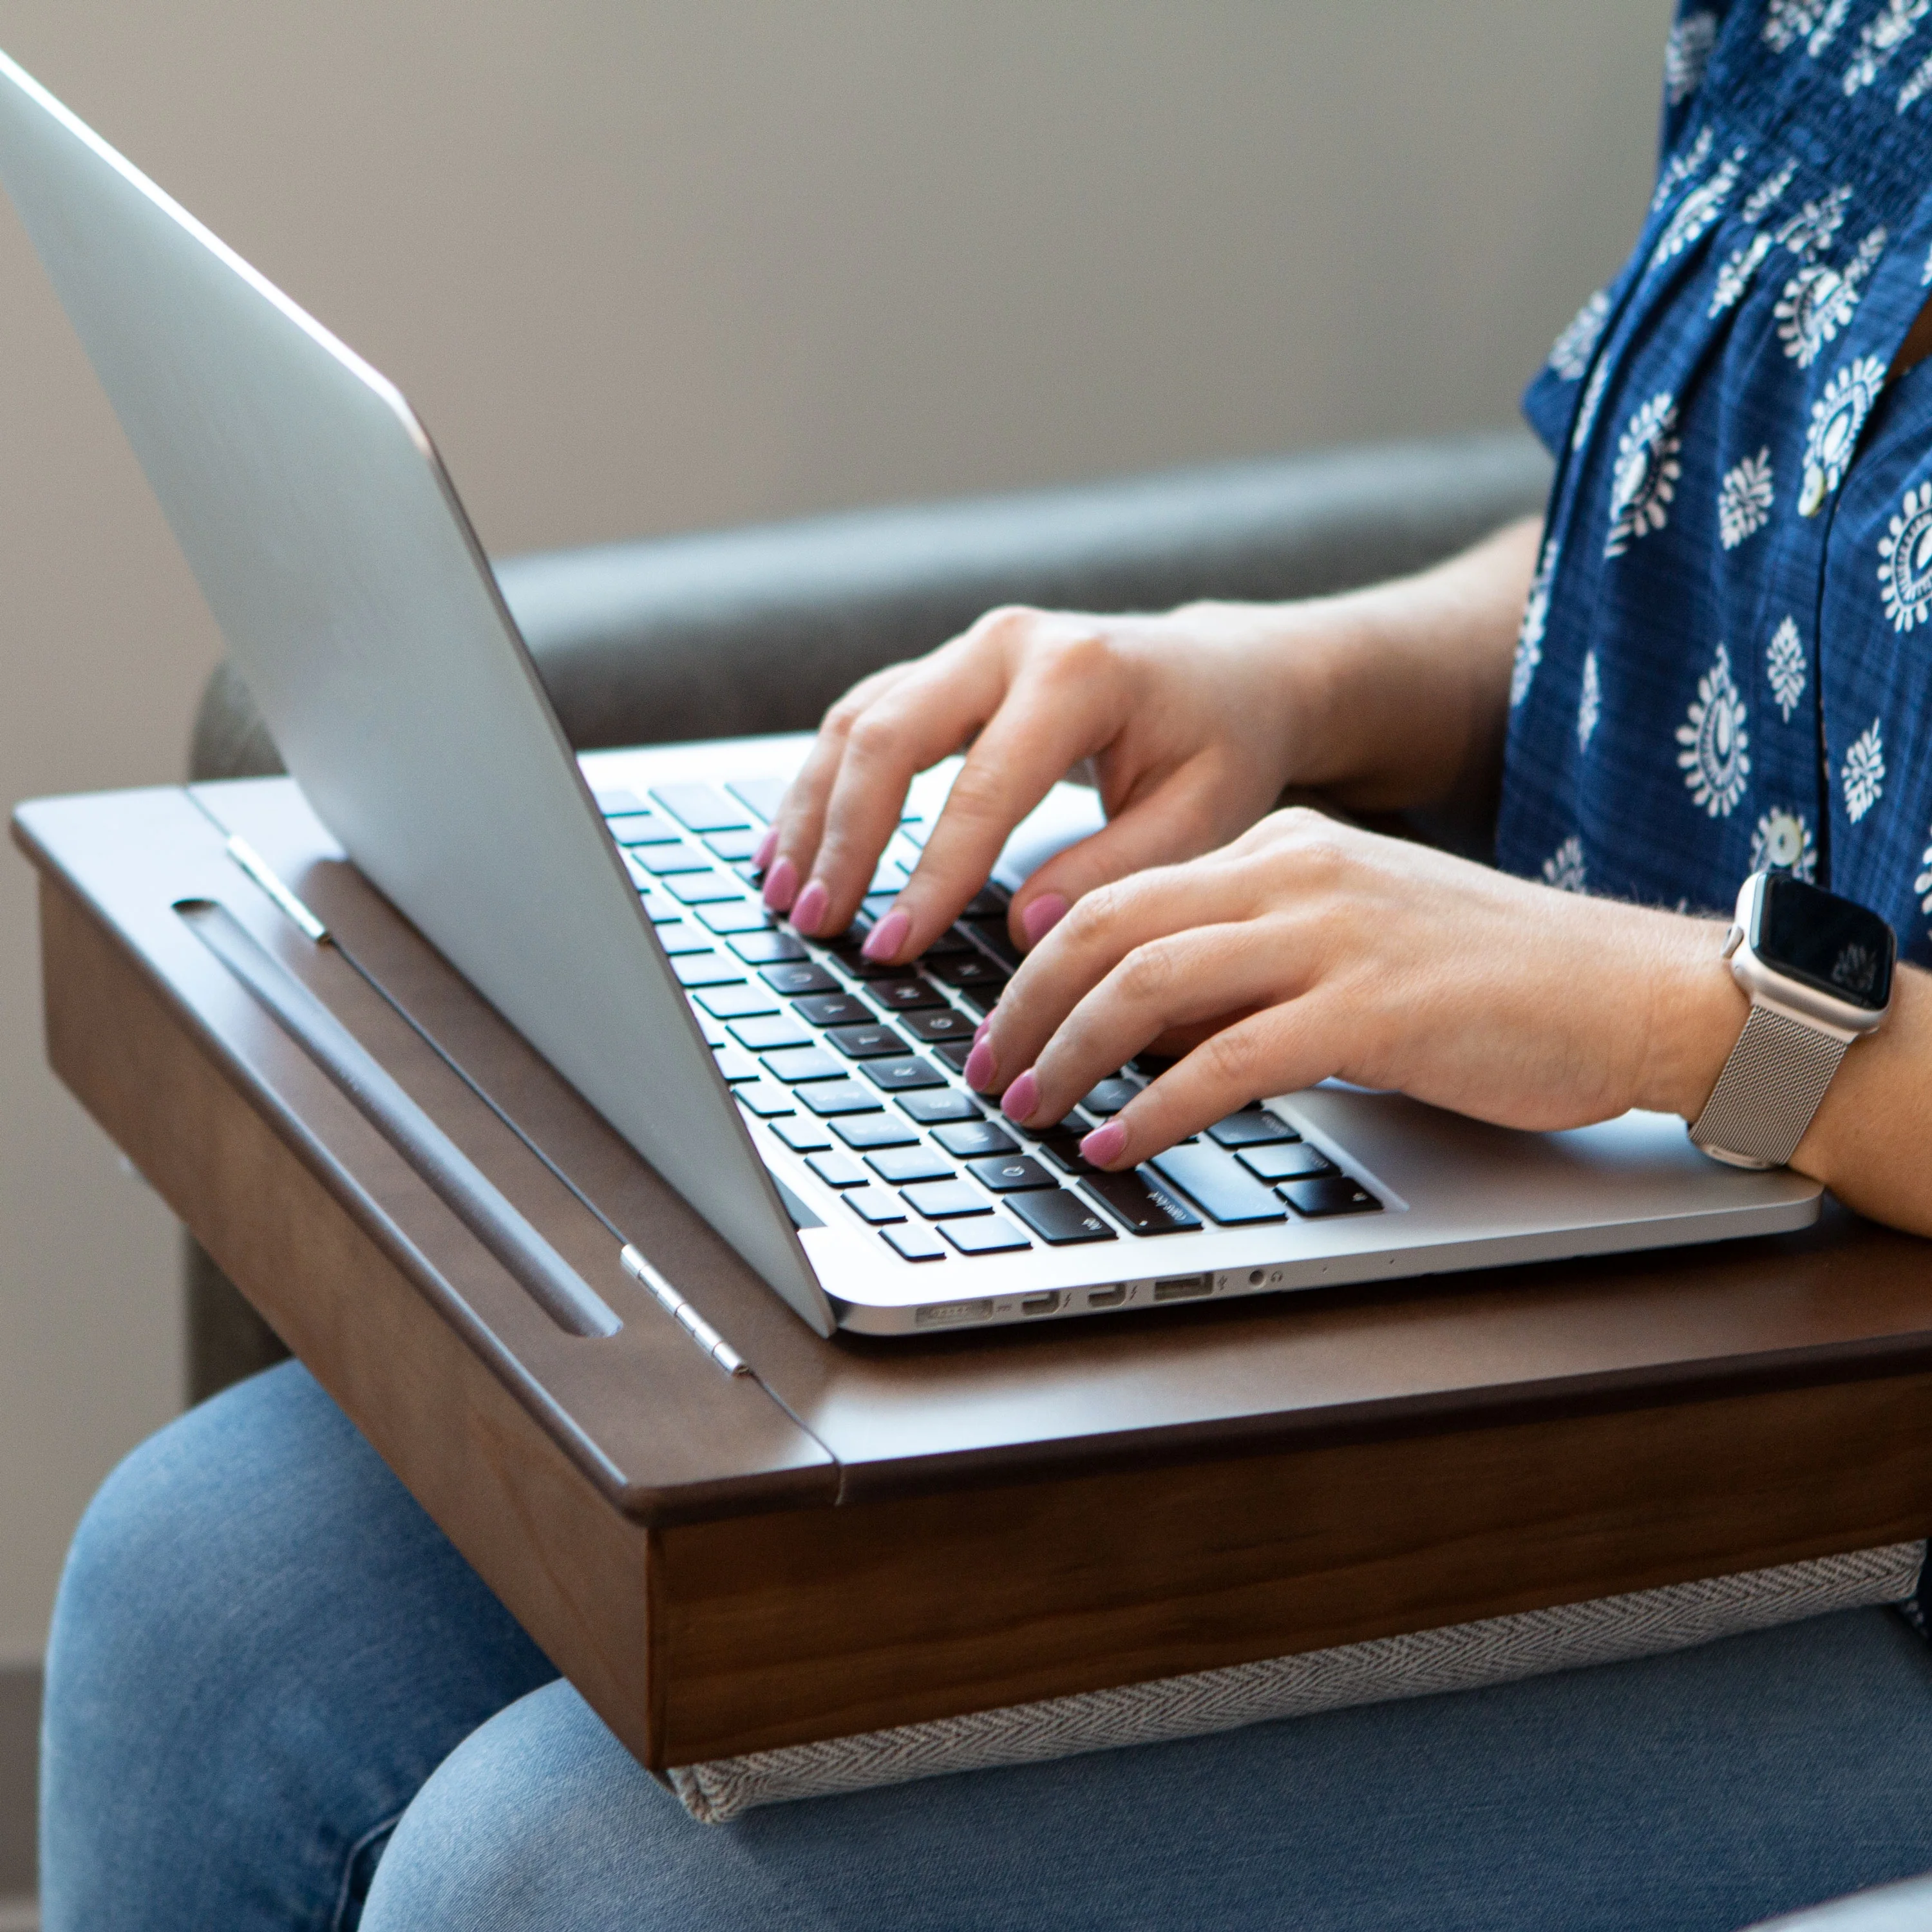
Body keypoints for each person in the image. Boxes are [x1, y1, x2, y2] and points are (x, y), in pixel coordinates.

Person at [37, 3, 1932, 1927]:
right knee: (205, 1604)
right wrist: (1293, 676)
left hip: (1877, 1505)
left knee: (567, 1887)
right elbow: (1703, 531)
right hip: (1610, 1280)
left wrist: (1697, 1020)